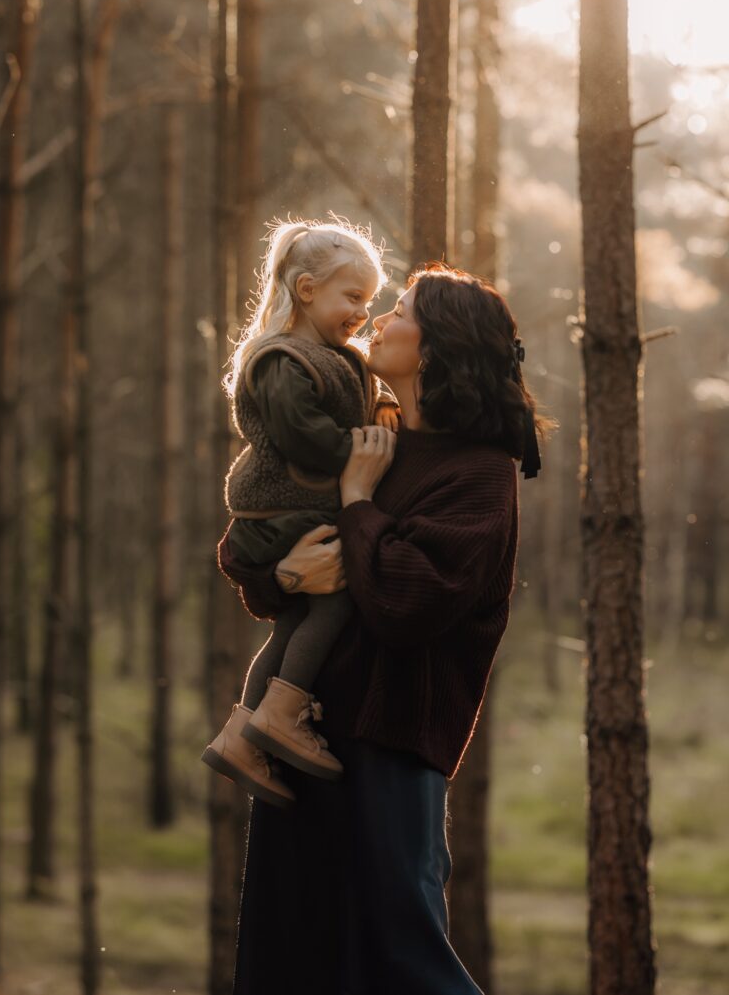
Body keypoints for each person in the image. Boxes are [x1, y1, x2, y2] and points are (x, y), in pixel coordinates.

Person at [217, 262, 547, 995]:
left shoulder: (478, 475)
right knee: (288, 953)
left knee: (403, 960)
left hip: (391, 744)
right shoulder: (371, 438)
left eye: (401, 311)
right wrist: (285, 578)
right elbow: (256, 545)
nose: (381, 321)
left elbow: (404, 601)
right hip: (299, 736)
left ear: (433, 349)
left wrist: (360, 503)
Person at [201, 219, 398, 807]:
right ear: (307, 290)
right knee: (336, 595)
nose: (364, 312)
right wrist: (357, 456)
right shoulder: (281, 359)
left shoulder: (336, 356)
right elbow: (302, 433)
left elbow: (364, 397)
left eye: (370, 300)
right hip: (278, 511)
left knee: (296, 623)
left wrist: (383, 412)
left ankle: (244, 733)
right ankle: (284, 715)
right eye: (354, 297)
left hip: (297, 509)